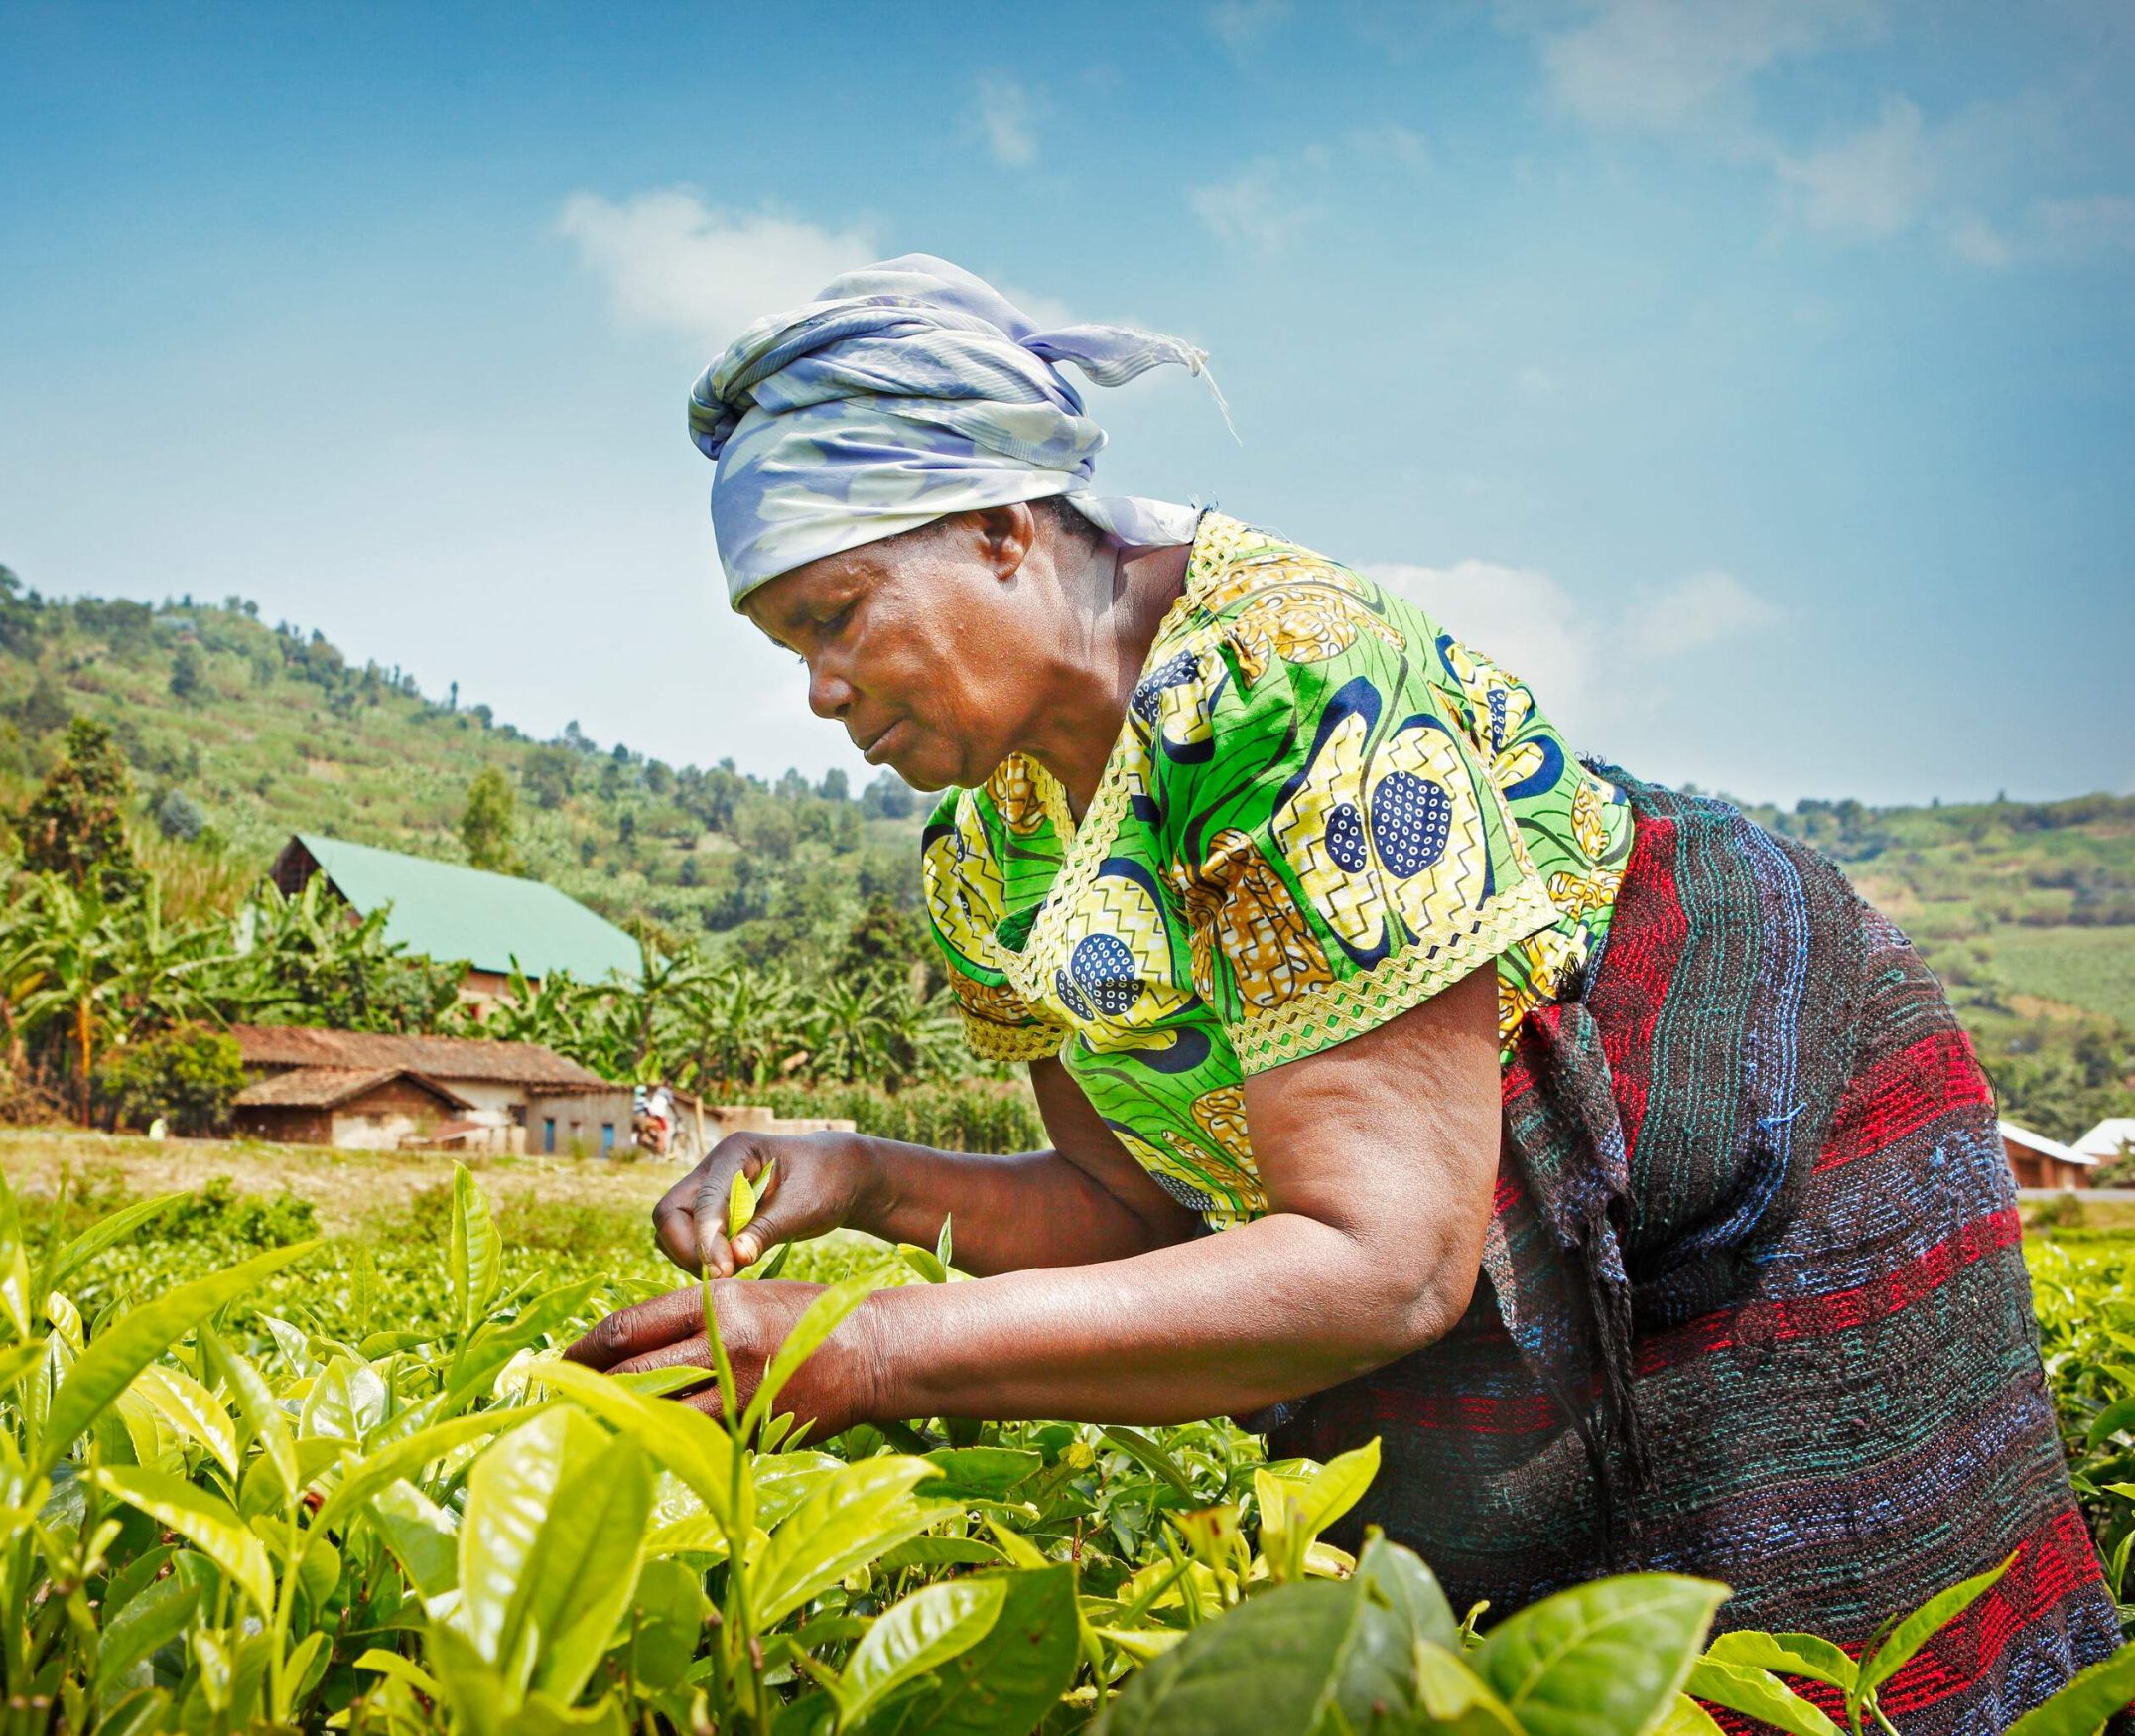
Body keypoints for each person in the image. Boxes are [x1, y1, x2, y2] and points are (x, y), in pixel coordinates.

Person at [565, 255, 2115, 1729]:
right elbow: (1143, 1214)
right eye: (788, 649)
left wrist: (868, 1353)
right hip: (1489, 1211)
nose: (820, 691)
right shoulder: (991, 858)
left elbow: (1379, 1266)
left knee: (1814, 1631)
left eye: (834, 618)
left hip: (1757, 1115)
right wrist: (863, 1178)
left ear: (998, 529)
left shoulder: (1290, 678)